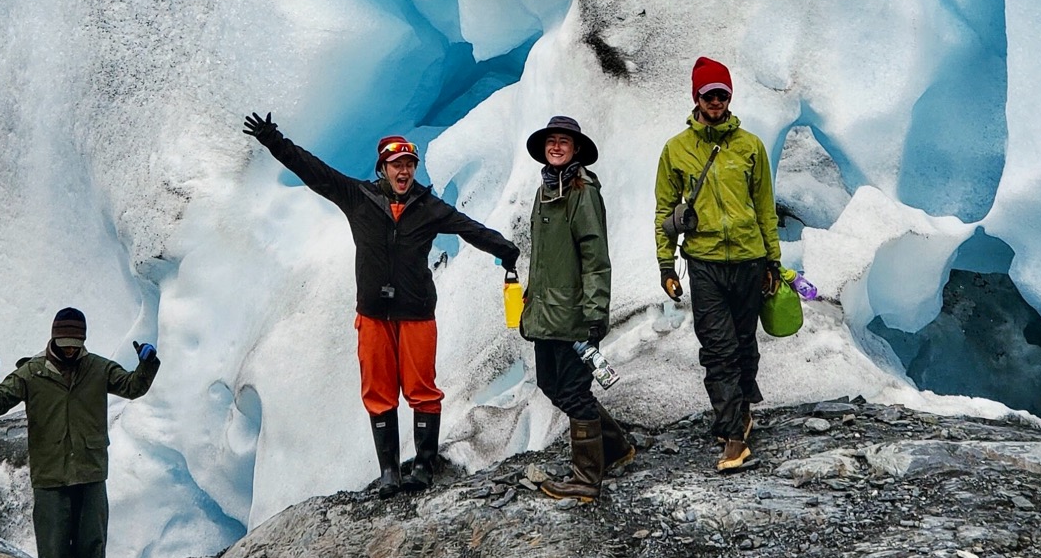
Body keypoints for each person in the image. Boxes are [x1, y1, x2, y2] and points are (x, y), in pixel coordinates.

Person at [244, 112, 519, 496]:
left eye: (409, 164)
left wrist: (507, 251)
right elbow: (314, 171)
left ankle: (423, 466)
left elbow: (470, 229)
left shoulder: (429, 206)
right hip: (373, 316)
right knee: (379, 390)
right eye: (396, 165)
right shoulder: (359, 198)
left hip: (416, 314)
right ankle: (389, 471)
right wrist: (274, 140)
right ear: (383, 169)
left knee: (423, 389)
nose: (403, 171)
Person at [654, 57, 779, 472]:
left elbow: (765, 210)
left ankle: (740, 411)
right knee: (718, 348)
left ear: (729, 97)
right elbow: (665, 212)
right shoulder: (676, 150)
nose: (716, 101)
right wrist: (666, 266)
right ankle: (732, 437)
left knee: (744, 343)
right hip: (705, 262)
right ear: (697, 98)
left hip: (748, 258)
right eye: (709, 94)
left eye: (722, 94)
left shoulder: (750, 147)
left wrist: (772, 263)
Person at [0, 307, 159, 558]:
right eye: (65, 345)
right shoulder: (31, 373)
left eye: (76, 344)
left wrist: (147, 365)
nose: (71, 351)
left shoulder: (99, 368)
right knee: (53, 550)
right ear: (54, 339)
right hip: (50, 475)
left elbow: (132, 387)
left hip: (90, 471)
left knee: (92, 545)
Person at [519, 114, 635, 501]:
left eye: (563, 142)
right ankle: (616, 447)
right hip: (545, 310)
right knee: (551, 385)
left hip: (573, 313)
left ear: (576, 150)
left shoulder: (582, 191)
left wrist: (594, 312)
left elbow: (595, 256)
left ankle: (587, 477)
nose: (555, 146)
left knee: (574, 390)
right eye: (551, 140)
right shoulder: (545, 190)